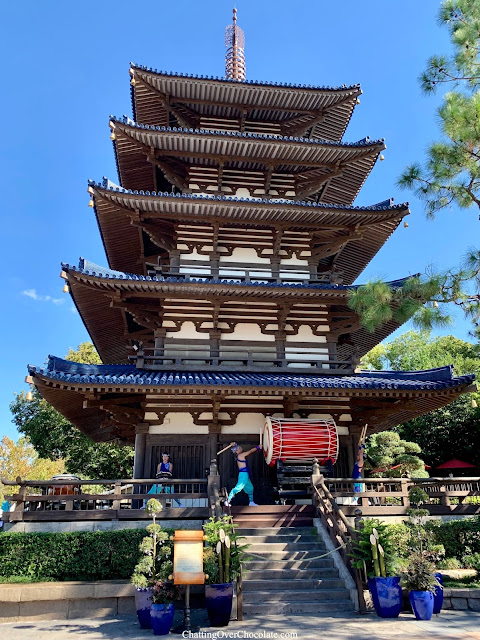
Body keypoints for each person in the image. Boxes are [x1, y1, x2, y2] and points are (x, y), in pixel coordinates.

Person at [225, 442, 262, 506]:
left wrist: (235, 444)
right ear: (237, 451)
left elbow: (236, 446)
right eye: (239, 448)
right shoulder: (240, 455)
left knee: (250, 488)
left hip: (245, 474)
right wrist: (257, 447)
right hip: (243, 474)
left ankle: (251, 502)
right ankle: (228, 500)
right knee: (239, 487)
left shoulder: (239, 455)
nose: (240, 448)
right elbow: (250, 451)